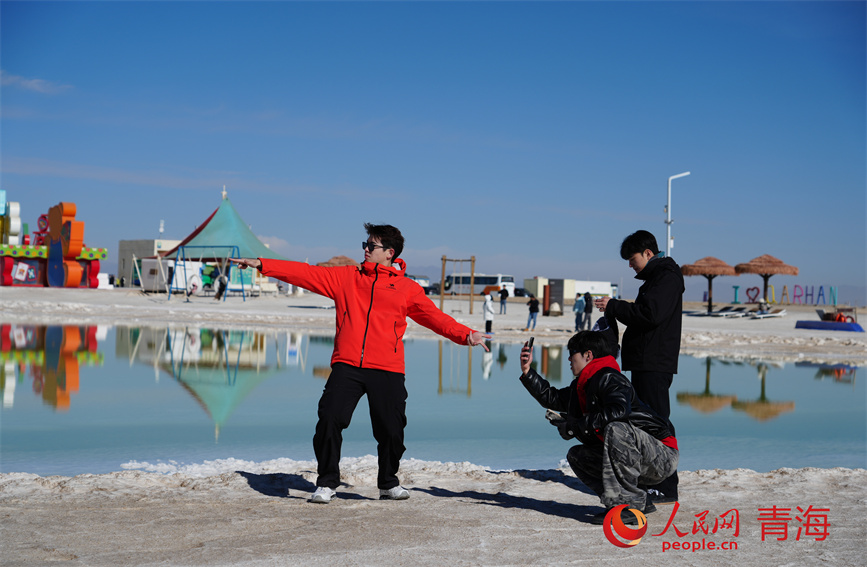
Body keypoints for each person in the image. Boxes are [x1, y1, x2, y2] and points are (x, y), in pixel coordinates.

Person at [230, 224, 490, 504]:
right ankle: (327, 482)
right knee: (329, 419)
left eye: (371, 246)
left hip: (387, 368)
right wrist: (262, 264)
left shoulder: (407, 289)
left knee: (391, 430)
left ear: (389, 253)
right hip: (348, 365)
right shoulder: (346, 278)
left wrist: (466, 335)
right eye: (364, 244)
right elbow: (305, 274)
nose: (365, 250)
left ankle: (388, 483)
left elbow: (434, 318)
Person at [518, 329, 678, 525]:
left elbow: (619, 410)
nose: (569, 359)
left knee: (615, 428)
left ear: (588, 355)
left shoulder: (609, 377)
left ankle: (629, 506)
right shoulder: (584, 385)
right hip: (641, 457)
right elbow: (554, 398)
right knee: (577, 456)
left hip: (662, 455)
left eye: (572, 353)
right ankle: (638, 499)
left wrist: (575, 426)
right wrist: (527, 371)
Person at [594, 229, 684, 503]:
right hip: (647, 360)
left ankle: (667, 485)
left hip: (655, 362)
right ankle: (654, 481)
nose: (630, 265)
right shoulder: (657, 277)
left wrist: (615, 306)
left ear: (648, 253)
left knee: (657, 422)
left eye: (632, 259)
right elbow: (647, 313)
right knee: (648, 421)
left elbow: (650, 314)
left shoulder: (666, 276)